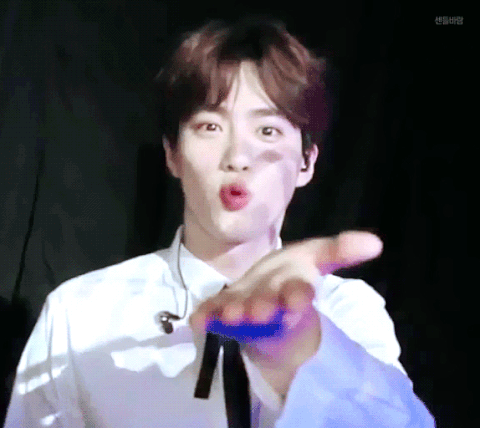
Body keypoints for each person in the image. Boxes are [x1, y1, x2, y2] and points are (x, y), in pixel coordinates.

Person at [4, 16, 435, 427]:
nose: (237, 157)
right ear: (172, 153)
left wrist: (300, 349)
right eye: (210, 126)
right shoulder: (82, 314)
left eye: (267, 131)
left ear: (306, 162)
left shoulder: (345, 310)